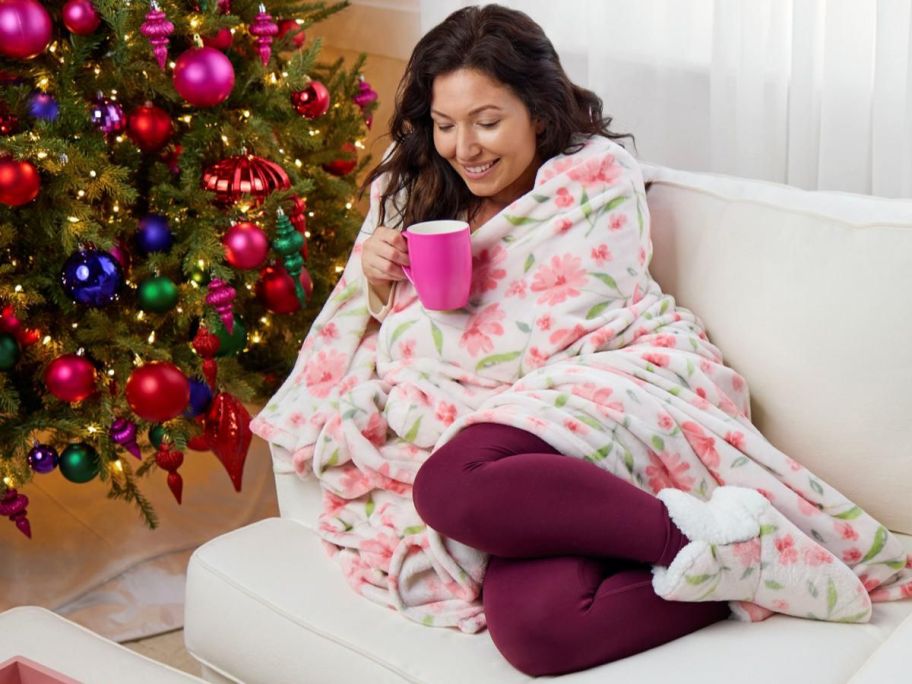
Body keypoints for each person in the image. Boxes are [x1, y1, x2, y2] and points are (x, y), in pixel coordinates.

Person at [252, 3, 905, 678]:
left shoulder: (593, 180)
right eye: (445, 125)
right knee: (541, 633)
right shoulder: (417, 192)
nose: (464, 147)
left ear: (538, 110)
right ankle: (745, 564)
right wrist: (382, 280)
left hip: (613, 377)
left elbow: (577, 312)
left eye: (487, 121)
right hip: (514, 429)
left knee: (450, 487)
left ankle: (685, 537)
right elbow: (402, 335)